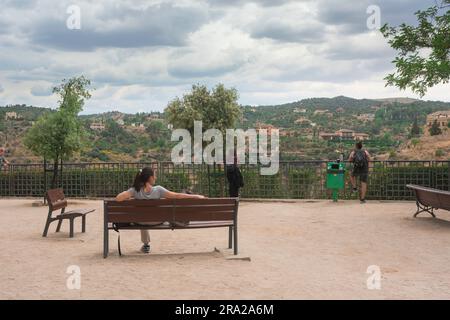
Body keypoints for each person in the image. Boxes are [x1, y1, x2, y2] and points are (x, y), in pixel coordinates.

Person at [115, 167, 205, 253]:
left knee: (144, 217)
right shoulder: (158, 190)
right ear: (150, 178)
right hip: (157, 221)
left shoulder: (135, 190)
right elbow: (177, 195)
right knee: (149, 216)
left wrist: (129, 195)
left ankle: (146, 244)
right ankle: (146, 244)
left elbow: (118, 198)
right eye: (154, 175)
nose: (155, 177)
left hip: (140, 222)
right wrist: (196, 196)